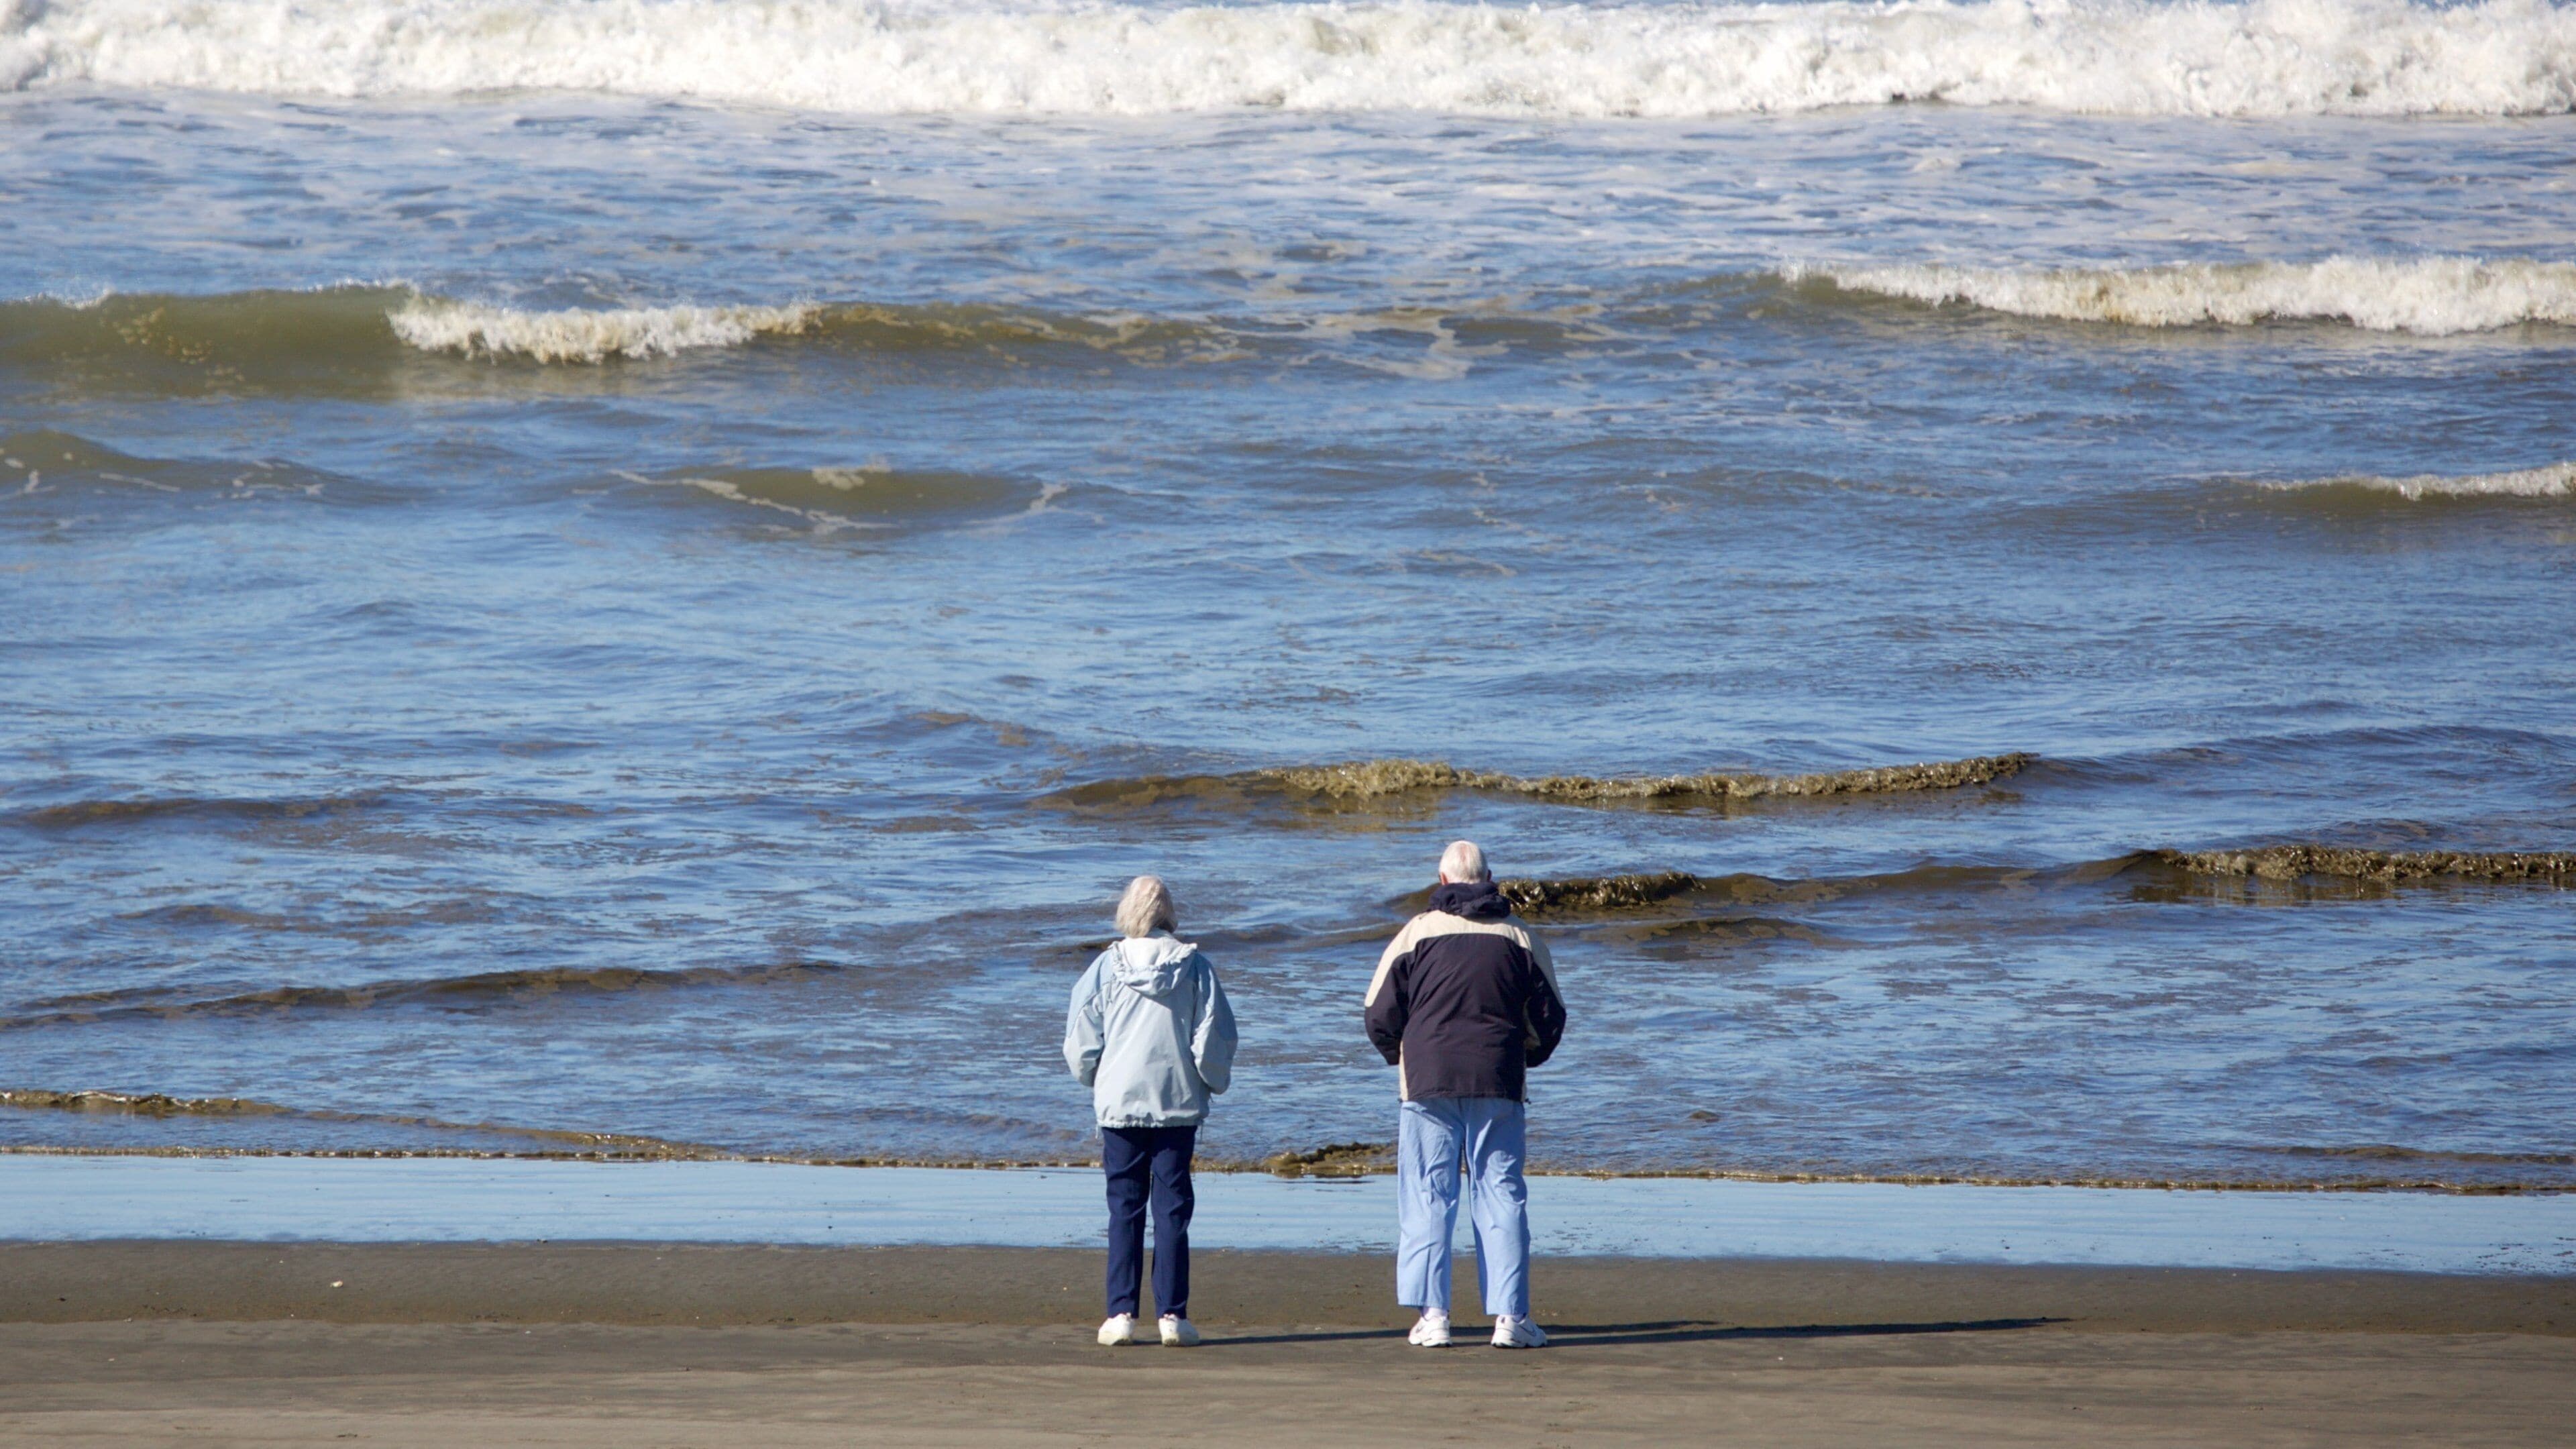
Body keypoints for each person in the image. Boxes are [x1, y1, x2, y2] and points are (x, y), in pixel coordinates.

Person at [1364, 839, 1566, 1349]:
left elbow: (1378, 1014)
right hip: (1497, 1076)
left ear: (1443, 880)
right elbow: (1550, 1017)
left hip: (1430, 1078)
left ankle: (1433, 1316)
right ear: (1489, 878)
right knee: (1501, 1193)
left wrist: (1404, 1056)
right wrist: (1526, 1056)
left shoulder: (1417, 933)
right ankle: (1512, 1318)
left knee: (1429, 1194)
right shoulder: (1519, 937)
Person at [1065, 873, 1236, 1347]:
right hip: (1177, 1102)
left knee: (1124, 1207)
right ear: (1168, 913)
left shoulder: (1105, 967)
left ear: (1128, 913)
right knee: (1173, 1208)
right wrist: (1211, 1083)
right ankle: (1171, 1316)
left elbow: (1081, 1041)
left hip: (1120, 1104)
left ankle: (1120, 1314)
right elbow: (1214, 1039)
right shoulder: (1195, 966)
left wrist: (1096, 1080)